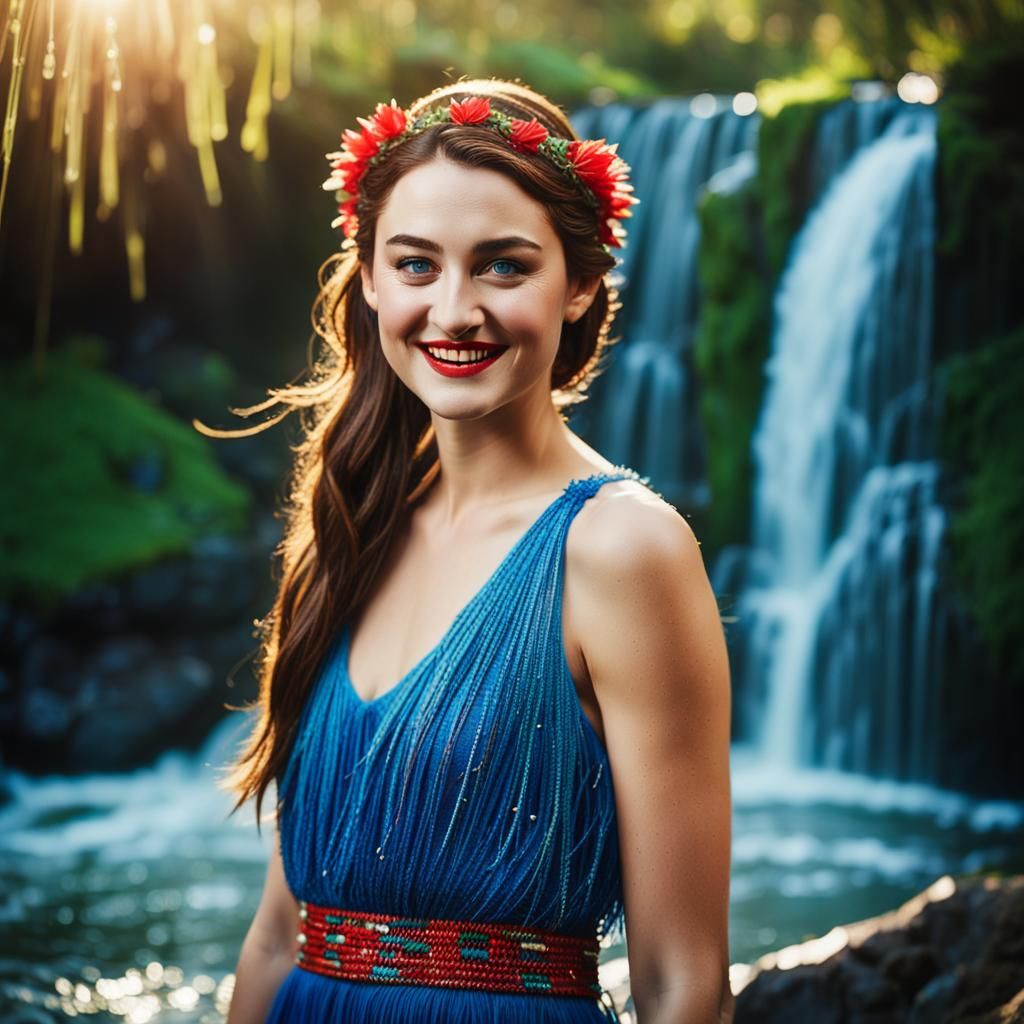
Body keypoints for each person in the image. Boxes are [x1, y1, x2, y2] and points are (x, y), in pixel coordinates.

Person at [216, 76, 733, 1023]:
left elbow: (682, 983)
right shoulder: (349, 530)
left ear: (580, 285)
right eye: (416, 265)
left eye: (503, 266)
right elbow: (278, 931)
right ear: (369, 277)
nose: (454, 312)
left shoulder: (623, 550)